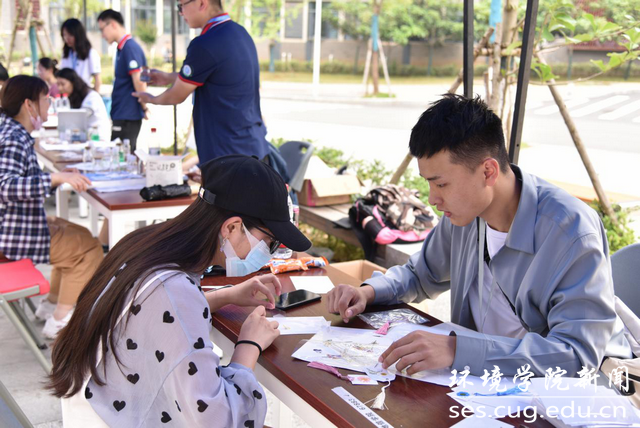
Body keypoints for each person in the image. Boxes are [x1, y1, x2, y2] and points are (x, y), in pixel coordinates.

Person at [327, 94, 633, 377]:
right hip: (480, 382)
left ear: (488, 171)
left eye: (441, 184)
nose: (432, 199)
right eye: (428, 183)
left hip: (567, 393)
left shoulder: (571, 232)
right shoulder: (464, 214)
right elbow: (420, 275)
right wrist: (367, 293)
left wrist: (457, 350)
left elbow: (577, 354)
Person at [48, 154, 311, 427]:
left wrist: (227, 295)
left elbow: (152, 312)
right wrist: (248, 346)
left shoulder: (145, 242)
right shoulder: (174, 292)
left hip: (100, 403)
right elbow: (217, 419)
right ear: (232, 227)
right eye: (270, 242)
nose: (270, 253)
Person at [0, 75, 103, 339]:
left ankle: (50, 305)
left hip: (14, 223)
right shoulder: (14, 138)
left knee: (78, 235)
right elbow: (5, 186)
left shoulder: (10, 131)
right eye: (45, 100)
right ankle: (60, 321)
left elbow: (24, 181)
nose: (49, 105)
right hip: (10, 234)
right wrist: (55, 178)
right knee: (88, 249)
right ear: (29, 105)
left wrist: (59, 177)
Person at [132, 0, 269, 165]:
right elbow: (215, 75)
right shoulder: (239, 33)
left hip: (227, 155)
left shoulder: (205, 43)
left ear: (202, 3)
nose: (180, 12)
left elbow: (176, 95)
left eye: (181, 5)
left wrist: (150, 99)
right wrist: (168, 78)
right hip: (253, 147)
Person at [97, 9, 148, 150]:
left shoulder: (130, 48)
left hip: (128, 115)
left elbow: (139, 81)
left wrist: (144, 106)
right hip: (122, 113)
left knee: (122, 156)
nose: (102, 35)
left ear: (113, 24)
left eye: (102, 29)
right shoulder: (122, 48)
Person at [56, 68, 111, 141]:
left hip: (98, 138)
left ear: (73, 82)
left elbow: (81, 116)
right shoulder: (73, 97)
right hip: (85, 137)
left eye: (63, 84)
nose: (59, 88)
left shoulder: (92, 96)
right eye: (58, 84)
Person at [60, 18, 101, 92]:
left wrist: (95, 95)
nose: (67, 38)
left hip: (84, 93)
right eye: (64, 35)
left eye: (70, 35)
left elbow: (97, 80)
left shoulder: (90, 53)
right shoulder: (66, 53)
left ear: (78, 34)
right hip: (68, 93)